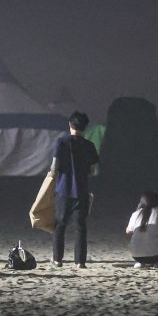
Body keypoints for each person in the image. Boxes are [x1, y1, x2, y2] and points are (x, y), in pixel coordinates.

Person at [47, 111, 100, 268]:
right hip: (82, 190)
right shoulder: (89, 146)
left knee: (60, 225)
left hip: (63, 190)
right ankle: (80, 262)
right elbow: (94, 170)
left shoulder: (61, 142)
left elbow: (55, 166)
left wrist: (52, 173)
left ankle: (57, 259)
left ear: (70, 125)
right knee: (80, 227)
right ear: (85, 128)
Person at [126, 190, 158, 268]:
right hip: (155, 255)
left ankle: (141, 263)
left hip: (136, 255)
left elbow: (128, 231)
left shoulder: (136, 213)